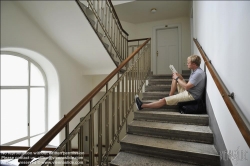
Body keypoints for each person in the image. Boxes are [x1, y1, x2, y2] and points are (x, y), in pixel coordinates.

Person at [135, 55, 206, 110]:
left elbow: (186, 86)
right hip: (190, 91)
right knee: (176, 77)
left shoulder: (198, 74)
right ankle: (170, 96)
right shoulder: (196, 71)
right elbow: (189, 85)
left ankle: (142, 106)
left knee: (164, 100)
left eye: (188, 62)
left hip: (192, 96)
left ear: (194, 64)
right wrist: (178, 77)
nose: (187, 64)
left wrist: (177, 78)